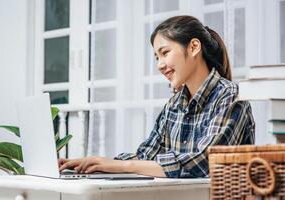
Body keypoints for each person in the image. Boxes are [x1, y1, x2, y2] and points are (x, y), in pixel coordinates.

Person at [59, 15, 255, 178]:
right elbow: (148, 154)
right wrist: (96, 163)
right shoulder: (174, 105)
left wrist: (122, 167)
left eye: (165, 52)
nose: (160, 65)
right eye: (157, 57)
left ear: (194, 47)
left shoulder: (230, 96)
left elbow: (204, 162)